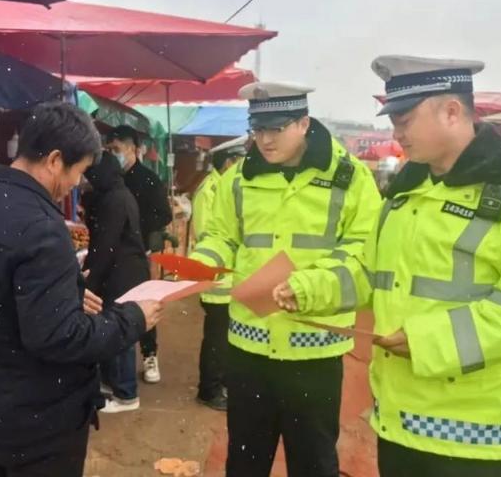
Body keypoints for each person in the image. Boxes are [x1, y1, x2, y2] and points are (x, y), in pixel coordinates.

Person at [358, 55, 501, 477]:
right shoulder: (405, 195)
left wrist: (427, 340)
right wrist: (308, 289)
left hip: (479, 435)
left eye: (405, 119)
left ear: (452, 112)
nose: (396, 132)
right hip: (402, 420)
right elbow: (370, 274)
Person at [0, 102, 163, 477]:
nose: (77, 183)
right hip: (39, 423)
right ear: (56, 160)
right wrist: (133, 319)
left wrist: (63, 295)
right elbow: (60, 338)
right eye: (79, 171)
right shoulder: (41, 226)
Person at [191, 82, 382, 476]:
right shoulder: (239, 179)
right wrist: (201, 265)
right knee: (245, 461)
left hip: (315, 354)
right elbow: (222, 237)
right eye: (258, 129)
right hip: (248, 349)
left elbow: (365, 253)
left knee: (313, 463)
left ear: (303, 123)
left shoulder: (350, 179)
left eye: (276, 129)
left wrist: (310, 287)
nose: (265, 140)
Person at [82, 150, 150, 414]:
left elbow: (105, 246)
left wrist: (89, 281)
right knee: (117, 328)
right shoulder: (118, 193)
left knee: (120, 331)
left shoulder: (114, 200)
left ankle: (126, 394)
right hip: (126, 271)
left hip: (122, 274)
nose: (87, 180)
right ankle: (114, 384)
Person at [106, 125, 173, 385]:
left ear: (133, 148)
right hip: (114, 252)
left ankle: (149, 354)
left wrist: (139, 230)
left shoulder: (148, 179)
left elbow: (164, 214)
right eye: (109, 149)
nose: (113, 154)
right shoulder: (109, 179)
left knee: (144, 302)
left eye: (117, 149)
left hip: (141, 251)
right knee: (115, 305)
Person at [191, 142, 247, 411]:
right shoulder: (209, 190)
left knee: (225, 338)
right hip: (216, 281)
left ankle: (221, 384)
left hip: (230, 281)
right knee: (216, 339)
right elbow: (208, 236)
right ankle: (209, 390)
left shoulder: (226, 188)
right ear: (228, 162)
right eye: (238, 160)